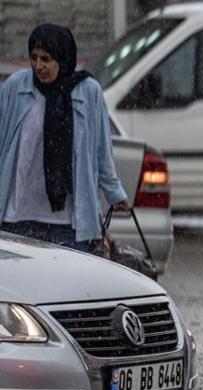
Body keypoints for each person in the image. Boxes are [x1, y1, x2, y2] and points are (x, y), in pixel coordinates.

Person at [0, 23, 129, 252]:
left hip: (70, 223)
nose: (38, 66)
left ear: (62, 58)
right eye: (34, 57)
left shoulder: (88, 91)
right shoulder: (15, 88)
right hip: (19, 216)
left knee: (69, 276)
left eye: (46, 59)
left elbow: (101, 149)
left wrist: (114, 192)